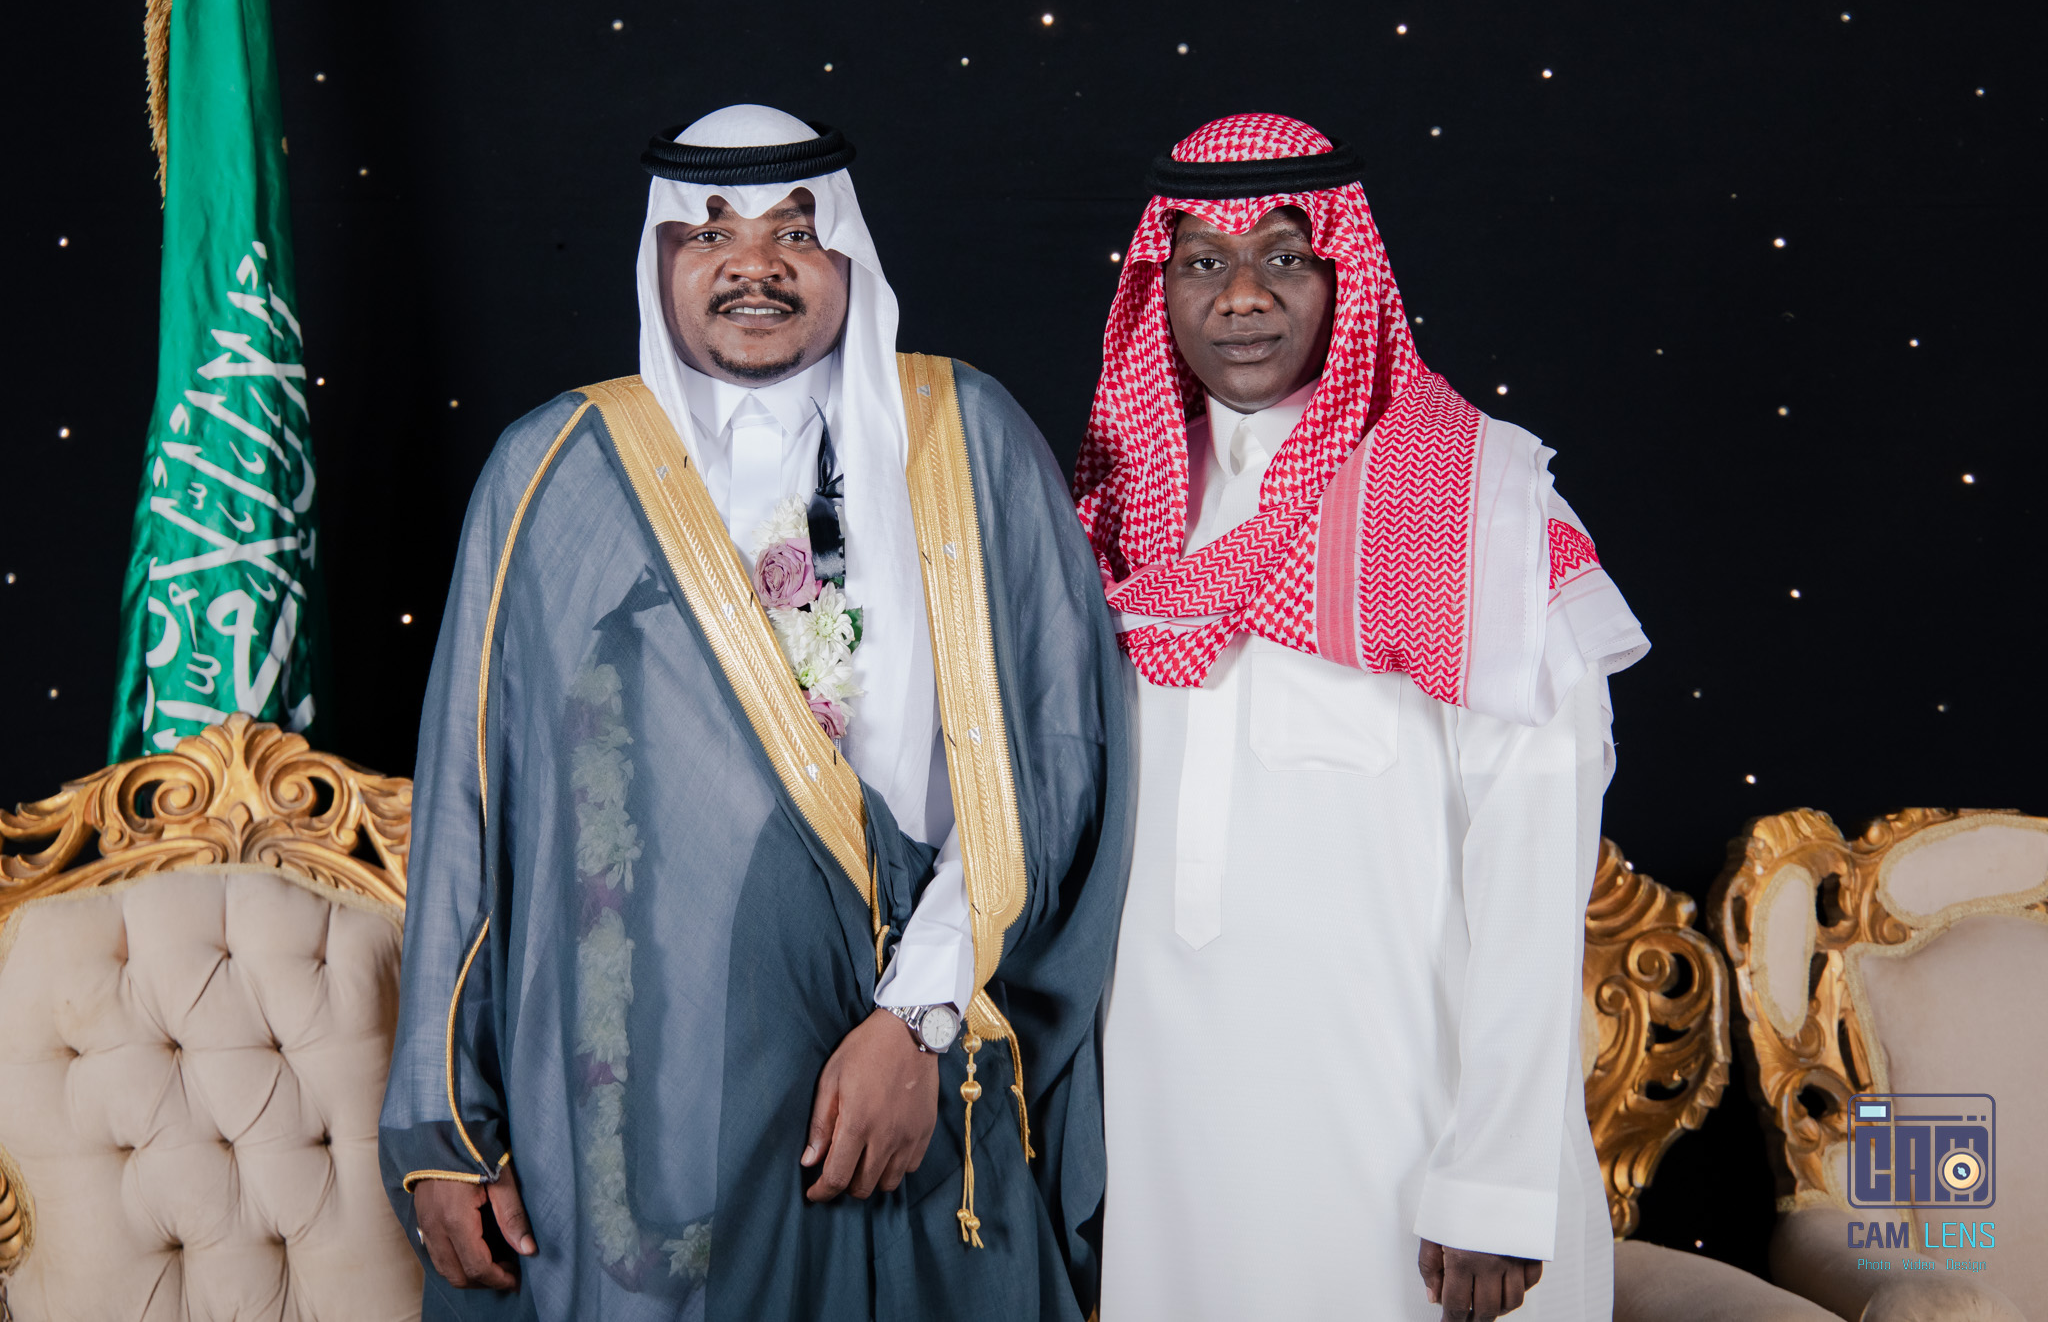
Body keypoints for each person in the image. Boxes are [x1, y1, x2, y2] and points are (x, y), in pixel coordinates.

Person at [379, 104, 1131, 1322]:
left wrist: (916, 1022)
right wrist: (443, 1129)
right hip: (646, 1102)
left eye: (794, 230)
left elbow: (1050, 764)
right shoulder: (552, 473)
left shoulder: (965, 439)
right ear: (661, 258)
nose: (753, 264)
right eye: (710, 233)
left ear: (846, 254)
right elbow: (471, 812)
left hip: (918, 1073)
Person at [1076, 114, 1648, 1321]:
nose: (1240, 295)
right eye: (1201, 261)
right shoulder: (1117, 519)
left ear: (1347, 276)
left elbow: (1534, 849)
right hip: (1174, 1142)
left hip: (1410, 1143)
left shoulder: (1473, 501)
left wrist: (1495, 1178)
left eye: (1283, 257)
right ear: (1156, 289)